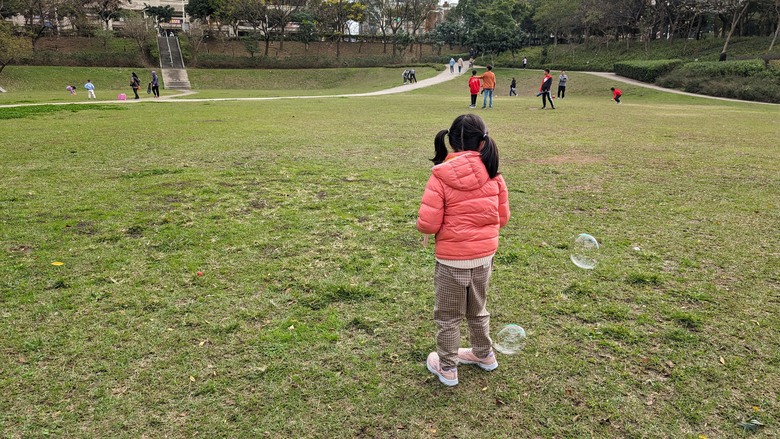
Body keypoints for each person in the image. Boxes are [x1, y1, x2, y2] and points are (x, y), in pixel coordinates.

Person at [417, 114, 510, 387]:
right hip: (483, 260)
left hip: (451, 263)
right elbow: (502, 219)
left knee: (448, 317)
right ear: (482, 141)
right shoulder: (494, 174)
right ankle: (484, 354)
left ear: (452, 141)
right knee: (477, 310)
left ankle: (447, 368)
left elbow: (428, 223)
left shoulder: (440, 176)